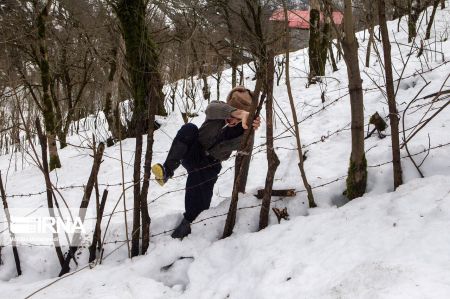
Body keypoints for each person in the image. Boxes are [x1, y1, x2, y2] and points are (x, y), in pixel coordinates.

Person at [151, 86, 261, 239]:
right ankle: (166, 171)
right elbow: (211, 108)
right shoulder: (217, 108)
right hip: (194, 151)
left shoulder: (244, 130)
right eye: (232, 113)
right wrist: (239, 113)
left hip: (211, 164)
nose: (232, 120)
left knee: (200, 198)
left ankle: (189, 223)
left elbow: (246, 149)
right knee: (189, 128)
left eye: (237, 119)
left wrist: (251, 128)